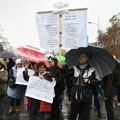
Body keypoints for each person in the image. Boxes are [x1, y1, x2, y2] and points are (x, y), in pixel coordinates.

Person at [69, 52, 100, 120]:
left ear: (87, 58)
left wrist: (90, 81)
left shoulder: (93, 69)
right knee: (72, 117)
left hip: (86, 99)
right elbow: (66, 75)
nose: (80, 58)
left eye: (83, 56)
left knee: (84, 117)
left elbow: (98, 82)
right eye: (80, 56)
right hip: (75, 98)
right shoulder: (74, 68)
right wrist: (61, 68)